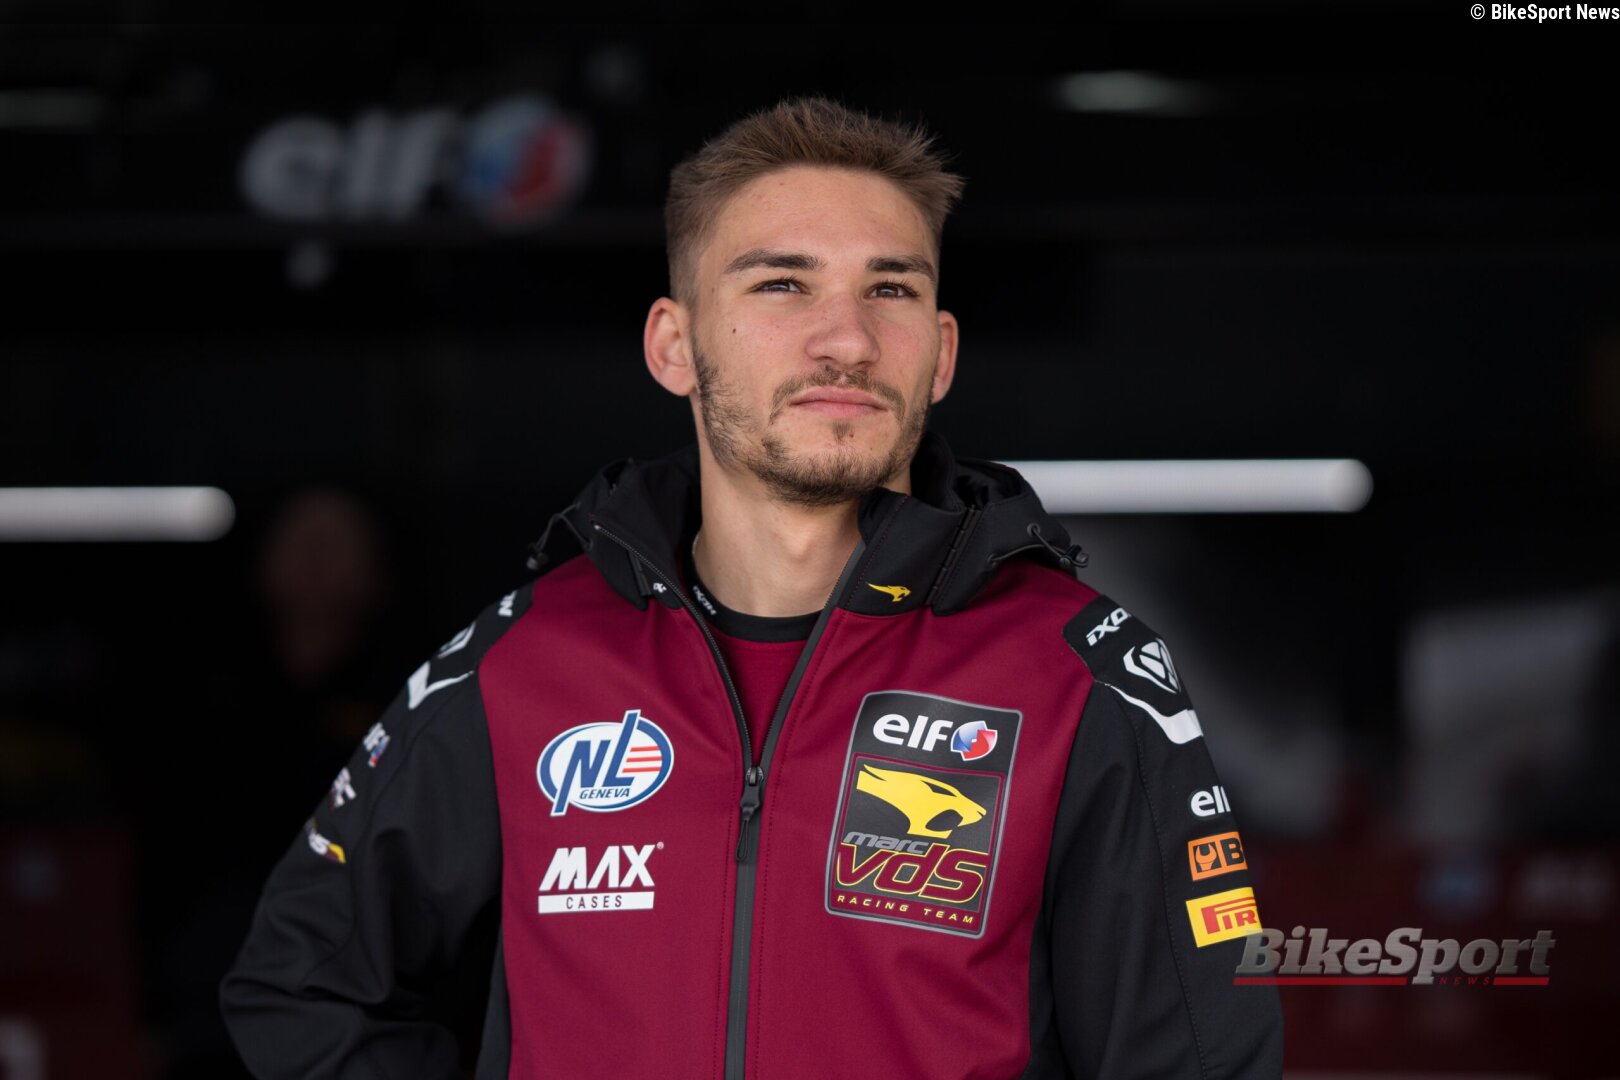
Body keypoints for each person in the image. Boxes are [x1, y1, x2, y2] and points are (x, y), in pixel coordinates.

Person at [220, 96, 1284, 1079]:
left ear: (941, 351)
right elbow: (303, 980)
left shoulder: (1076, 673)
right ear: (674, 345)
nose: (848, 339)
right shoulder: (527, 659)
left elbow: (1199, 1062)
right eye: (783, 283)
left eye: (892, 289)